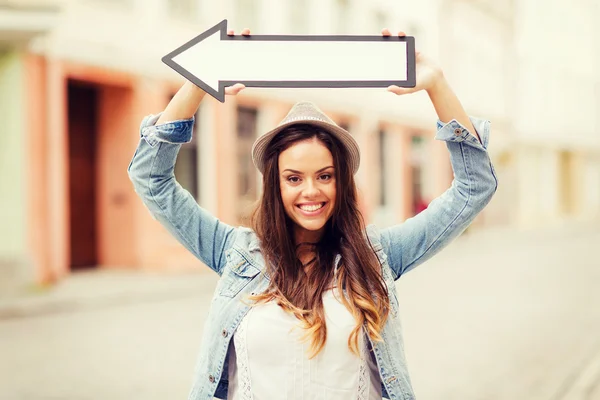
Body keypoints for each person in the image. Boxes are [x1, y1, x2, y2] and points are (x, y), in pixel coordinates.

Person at [128, 27, 498, 400]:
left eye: (325, 176)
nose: (310, 191)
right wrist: (199, 81)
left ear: (343, 182)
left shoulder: (377, 256)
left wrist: (436, 85)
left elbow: (473, 188)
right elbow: (150, 178)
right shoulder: (233, 253)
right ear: (275, 184)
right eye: (293, 178)